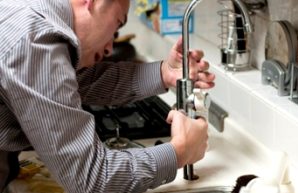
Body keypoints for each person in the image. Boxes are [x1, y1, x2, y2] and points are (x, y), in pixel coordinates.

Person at [0, 0, 215, 192]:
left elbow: (83, 81)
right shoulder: (36, 41)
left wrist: (164, 73)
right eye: (116, 26)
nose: (110, 49)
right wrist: (179, 151)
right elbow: (91, 179)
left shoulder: (35, 15)